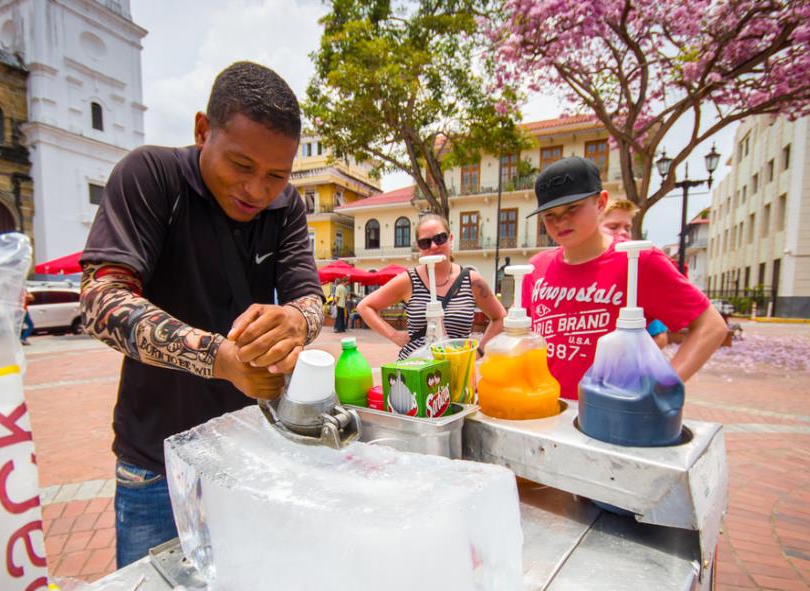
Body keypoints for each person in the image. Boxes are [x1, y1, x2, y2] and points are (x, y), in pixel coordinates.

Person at [78, 62, 324, 568]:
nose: (257, 190)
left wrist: (297, 321)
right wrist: (220, 357)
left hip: (248, 452)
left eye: (276, 175)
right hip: (156, 465)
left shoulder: (286, 207)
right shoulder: (151, 176)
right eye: (241, 165)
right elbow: (101, 301)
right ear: (201, 130)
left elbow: (309, 297)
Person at [523, 157, 727, 400]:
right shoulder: (536, 268)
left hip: (613, 416)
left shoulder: (637, 260)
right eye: (549, 215)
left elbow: (711, 326)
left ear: (601, 202)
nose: (560, 221)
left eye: (572, 208)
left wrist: (660, 391)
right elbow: (525, 340)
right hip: (548, 410)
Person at [357, 213, 506, 359]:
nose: (434, 246)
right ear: (419, 247)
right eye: (425, 242)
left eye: (440, 238)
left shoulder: (471, 280)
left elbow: (500, 317)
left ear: (451, 238)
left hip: (457, 371)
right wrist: (394, 335)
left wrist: (479, 352)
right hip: (417, 371)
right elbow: (364, 307)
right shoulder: (409, 280)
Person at [599, 199, 669, 349]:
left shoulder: (636, 274)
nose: (623, 232)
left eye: (628, 227)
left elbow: (660, 337)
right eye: (613, 226)